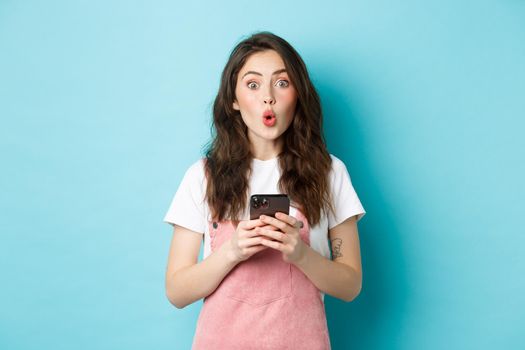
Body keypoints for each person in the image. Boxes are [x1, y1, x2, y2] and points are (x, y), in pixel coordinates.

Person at [163, 31, 366, 350]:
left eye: (282, 83)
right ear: (233, 99)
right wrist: (232, 251)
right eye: (253, 84)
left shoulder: (330, 173)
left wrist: (300, 254)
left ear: (298, 94)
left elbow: (350, 284)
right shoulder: (202, 177)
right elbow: (177, 291)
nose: (267, 97)